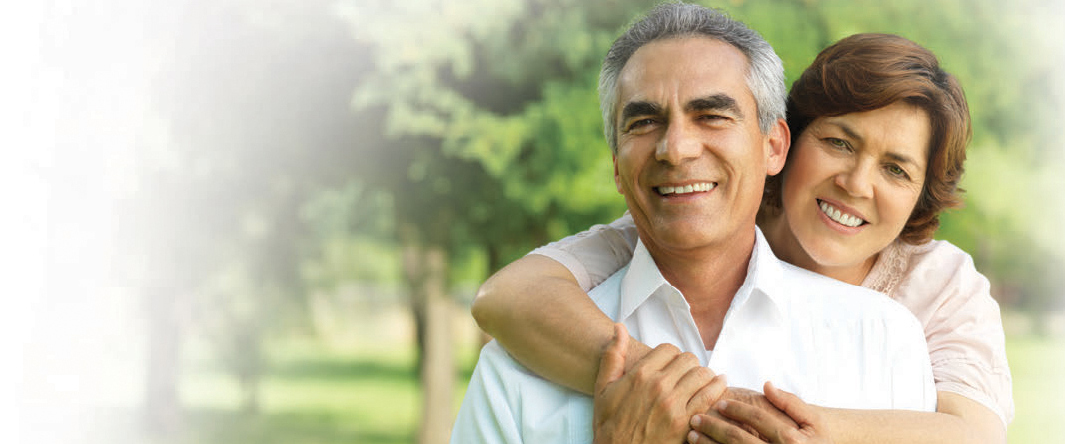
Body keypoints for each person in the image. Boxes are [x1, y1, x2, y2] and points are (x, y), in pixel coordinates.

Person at [473, 20, 1013, 444]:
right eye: (839, 144)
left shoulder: (918, 306)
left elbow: (975, 434)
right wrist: (656, 388)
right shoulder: (692, 209)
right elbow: (510, 296)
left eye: (896, 169)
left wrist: (808, 432)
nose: (855, 183)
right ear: (783, 144)